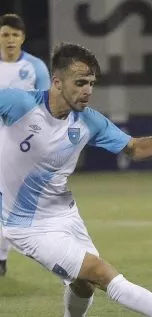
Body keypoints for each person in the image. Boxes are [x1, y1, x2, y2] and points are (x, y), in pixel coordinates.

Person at [0, 43, 152, 317]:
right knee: (101, 273)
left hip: (65, 215)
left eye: (92, 83)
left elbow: (135, 148)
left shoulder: (90, 121)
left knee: (84, 285)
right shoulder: (19, 103)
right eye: (80, 82)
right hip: (26, 225)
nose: (88, 90)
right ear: (57, 82)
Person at [0, 13, 51, 276]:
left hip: (22, 143)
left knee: (7, 201)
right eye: (5, 34)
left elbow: (46, 104)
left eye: (15, 35)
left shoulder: (36, 67)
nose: (10, 40)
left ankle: (1, 255)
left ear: (23, 37)